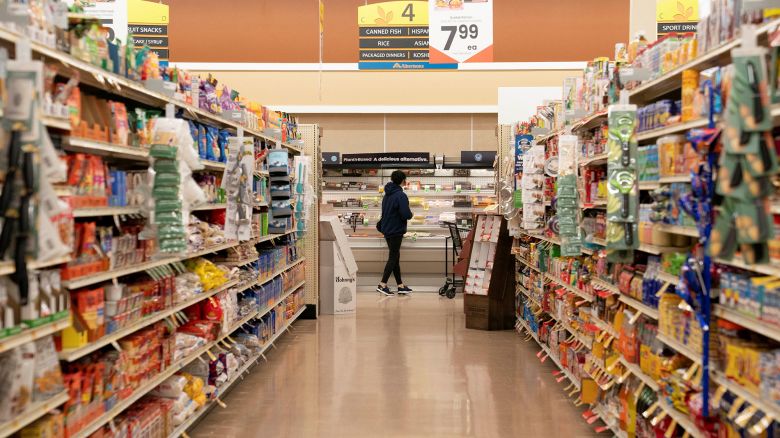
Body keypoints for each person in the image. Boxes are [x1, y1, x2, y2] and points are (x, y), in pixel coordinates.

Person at [376, 170, 414, 296]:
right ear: (403, 180)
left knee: (395, 257)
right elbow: (406, 214)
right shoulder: (401, 195)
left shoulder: (387, 194)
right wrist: (411, 214)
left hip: (387, 229)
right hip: (396, 229)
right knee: (393, 257)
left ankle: (400, 285)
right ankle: (382, 284)